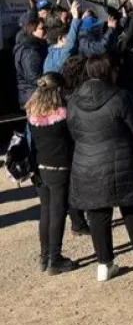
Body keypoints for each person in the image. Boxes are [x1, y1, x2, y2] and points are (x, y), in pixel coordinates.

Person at [67, 54, 133, 282]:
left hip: (86, 159)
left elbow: (72, 129)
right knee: (130, 207)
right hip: (119, 155)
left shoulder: (73, 100)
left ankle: (104, 262)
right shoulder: (120, 96)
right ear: (107, 71)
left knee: (97, 212)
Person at [26, 73, 80, 275]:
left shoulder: (33, 113)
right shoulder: (63, 115)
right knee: (58, 213)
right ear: (58, 90)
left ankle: (44, 256)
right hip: (60, 168)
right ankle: (55, 259)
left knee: (46, 213)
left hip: (40, 167)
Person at [15, 17, 49, 110]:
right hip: (32, 96)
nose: (46, 30)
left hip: (31, 94)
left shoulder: (36, 45)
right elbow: (33, 78)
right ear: (33, 31)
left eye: (46, 27)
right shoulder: (30, 51)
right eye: (42, 28)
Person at [43, 1, 81, 73]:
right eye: (66, 18)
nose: (69, 20)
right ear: (60, 38)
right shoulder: (58, 56)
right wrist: (75, 18)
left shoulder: (54, 48)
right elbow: (69, 46)